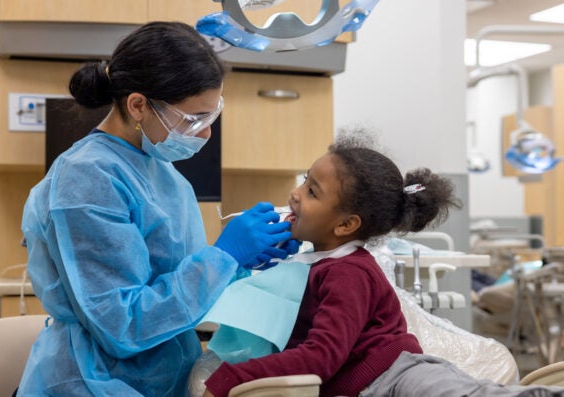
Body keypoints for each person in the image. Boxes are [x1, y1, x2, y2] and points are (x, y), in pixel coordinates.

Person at [16, 21, 298, 397]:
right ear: (138, 105)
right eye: (194, 118)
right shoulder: (86, 178)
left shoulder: (162, 172)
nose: (205, 133)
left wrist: (238, 264)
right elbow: (122, 325)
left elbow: (172, 285)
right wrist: (222, 256)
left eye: (211, 117)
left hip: (160, 377)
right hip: (95, 382)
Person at [202, 131, 564, 397]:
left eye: (312, 191)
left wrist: (231, 378)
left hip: (402, 378)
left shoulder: (348, 272)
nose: (296, 193)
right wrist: (242, 266)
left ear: (345, 225)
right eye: (304, 181)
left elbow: (320, 357)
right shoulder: (319, 263)